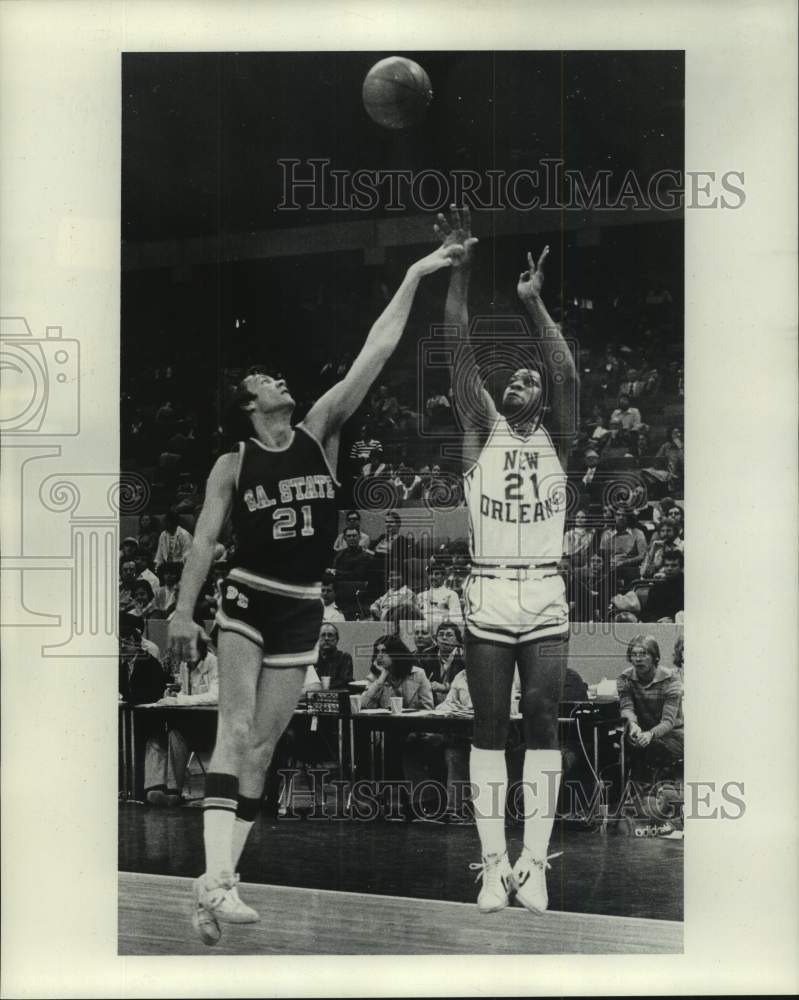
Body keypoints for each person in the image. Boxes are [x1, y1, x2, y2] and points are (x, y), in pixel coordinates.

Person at [167, 235, 463, 945]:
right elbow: (206, 541)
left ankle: (217, 890)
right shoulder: (232, 463)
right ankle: (214, 880)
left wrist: (419, 272)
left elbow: (377, 349)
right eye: (266, 381)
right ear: (247, 404)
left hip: (302, 602)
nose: (279, 382)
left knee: (265, 747)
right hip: (248, 592)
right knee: (233, 730)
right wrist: (181, 609)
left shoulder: (318, 428)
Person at [439, 207, 577, 914]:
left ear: (542, 398)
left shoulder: (557, 437)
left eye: (528, 380)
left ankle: (533, 862)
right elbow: (458, 347)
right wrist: (459, 270)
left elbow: (563, 366)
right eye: (513, 379)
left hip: (544, 592)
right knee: (489, 727)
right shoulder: (480, 429)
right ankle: (492, 863)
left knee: (544, 722)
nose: (519, 381)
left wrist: (533, 303)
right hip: (489, 591)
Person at [144, 634, 220, 806]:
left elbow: (216, 696)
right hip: (191, 722)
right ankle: (158, 788)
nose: (184, 656)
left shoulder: (215, 664)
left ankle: (173, 790)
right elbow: (186, 693)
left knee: (175, 735)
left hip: (213, 727)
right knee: (161, 735)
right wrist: (173, 696)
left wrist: (181, 700)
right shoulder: (185, 666)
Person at [617, 635, 683, 781]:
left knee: (651, 749)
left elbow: (668, 722)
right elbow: (626, 707)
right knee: (615, 746)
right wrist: (632, 724)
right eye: (634, 655)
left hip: (672, 735)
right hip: (642, 733)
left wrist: (650, 734)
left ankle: (654, 792)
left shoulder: (671, 679)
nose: (638, 659)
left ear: (655, 658)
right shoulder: (624, 678)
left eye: (644, 654)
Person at [360, 634, 433, 711]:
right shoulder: (376, 677)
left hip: (413, 722)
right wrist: (382, 678)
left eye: (384, 651)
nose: (379, 656)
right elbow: (362, 705)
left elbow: (428, 708)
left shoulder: (418, 674)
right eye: (377, 652)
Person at [118, 613, 168, 705]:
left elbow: (154, 693)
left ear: (137, 644)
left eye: (127, 641)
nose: (123, 646)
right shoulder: (124, 665)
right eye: (120, 642)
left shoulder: (149, 662)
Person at [417, 622, 466, 705]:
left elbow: (467, 685)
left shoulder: (464, 656)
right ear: (436, 639)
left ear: (457, 640)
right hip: (433, 703)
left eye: (449, 635)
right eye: (441, 634)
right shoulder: (426, 656)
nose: (444, 638)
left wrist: (444, 687)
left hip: (459, 703)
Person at [599, 511, 647, 590]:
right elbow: (602, 555)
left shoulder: (638, 533)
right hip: (611, 568)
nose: (621, 517)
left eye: (624, 515)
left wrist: (624, 563)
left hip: (631, 568)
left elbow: (642, 556)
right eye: (618, 515)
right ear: (613, 517)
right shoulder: (606, 534)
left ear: (629, 517)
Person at [416, 557, 464, 631]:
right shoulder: (421, 595)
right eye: (431, 574)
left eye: (437, 574)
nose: (433, 577)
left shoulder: (451, 594)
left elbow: (456, 618)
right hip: (421, 629)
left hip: (442, 629)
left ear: (444, 576)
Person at [642, 549, 684, 622]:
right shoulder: (657, 586)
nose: (669, 568)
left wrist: (673, 620)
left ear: (681, 568)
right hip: (659, 625)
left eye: (674, 566)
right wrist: (657, 620)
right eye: (666, 565)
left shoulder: (687, 586)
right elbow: (646, 612)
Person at [315, 623, 354, 689]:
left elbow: (344, 682)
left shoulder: (344, 657)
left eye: (330, 635)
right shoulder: (313, 659)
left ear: (336, 640)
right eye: (323, 635)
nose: (326, 638)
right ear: (318, 639)